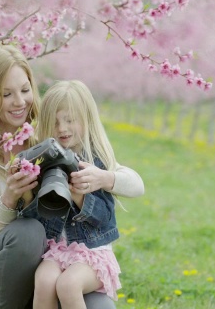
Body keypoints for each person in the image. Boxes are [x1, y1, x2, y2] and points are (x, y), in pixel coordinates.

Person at [0, 45, 144, 309]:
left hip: (55, 270)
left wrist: (103, 178)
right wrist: (11, 196)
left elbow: (128, 181)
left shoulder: (50, 132)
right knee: (28, 232)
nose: (20, 102)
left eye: (25, 90)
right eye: (6, 94)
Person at [21, 80, 136, 309]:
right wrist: (28, 190)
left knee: (68, 285)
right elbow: (34, 218)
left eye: (70, 120)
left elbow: (105, 216)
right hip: (57, 250)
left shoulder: (94, 163)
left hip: (92, 253)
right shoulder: (44, 163)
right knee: (44, 281)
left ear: (85, 120)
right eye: (55, 122)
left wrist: (80, 197)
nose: (62, 128)